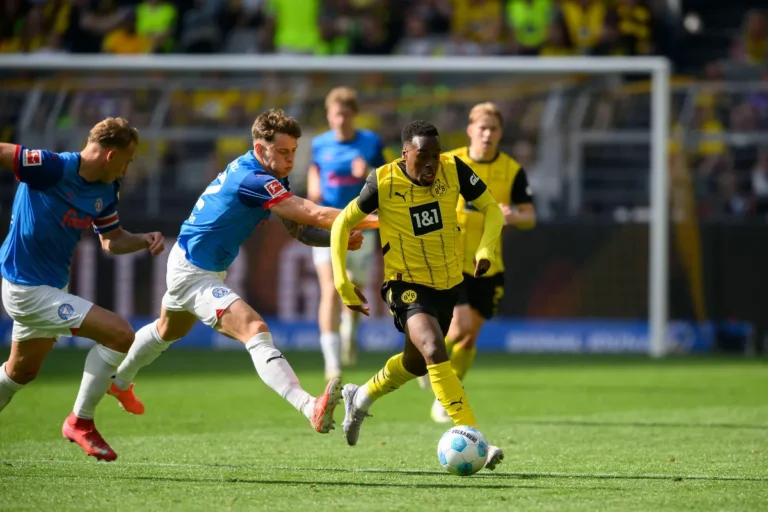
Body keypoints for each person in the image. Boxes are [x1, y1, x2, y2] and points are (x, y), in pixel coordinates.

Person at [107, 109, 378, 434]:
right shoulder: (253, 179)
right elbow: (313, 213)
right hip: (192, 272)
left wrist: (339, 238)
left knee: (166, 330)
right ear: (260, 148)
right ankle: (310, 407)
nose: (290, 159)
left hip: (195, 264)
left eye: (293, 151)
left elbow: (301, 230)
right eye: (282, 151)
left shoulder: (269, 174)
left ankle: (118, 382)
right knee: (254, 328)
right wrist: (379, 220)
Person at [330, 120, 505, 470]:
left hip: (447, 282)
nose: (431, 164)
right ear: (405, 153)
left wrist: (485, 249)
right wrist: (341, 282)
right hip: (405, 283)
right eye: (423, 156)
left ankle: (360, 396)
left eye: (435, 155)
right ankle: (475, 437)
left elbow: (492, 208)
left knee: (415, 363)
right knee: (434, 348)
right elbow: (342, 223)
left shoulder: (453, 169)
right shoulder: (382, 181)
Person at [0, 118, 165, 461]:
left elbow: (111, 240)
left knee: (20, 372)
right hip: (26, 288)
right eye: (127, 160)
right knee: (120, 334)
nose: (127, 169)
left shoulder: (106, 189)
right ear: (111, 156)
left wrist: (142, 240)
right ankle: (81, 421)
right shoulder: (51, 166)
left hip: (52, 286)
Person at [419, 102, 536, 423]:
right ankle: (431, 364)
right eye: (482, 128)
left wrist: (513, 215)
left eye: (493, 129)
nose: (487, 134)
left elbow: (530, 216)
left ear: (500, 133)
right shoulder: (449, 162)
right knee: (459, 327)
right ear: (470, 130)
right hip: (452, 261)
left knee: (470, 336)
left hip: (488, 265)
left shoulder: (511, 170)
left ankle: (444, 391)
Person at [308, 87, 385, 378]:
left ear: (354, 115)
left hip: (361, 223)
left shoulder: (370, 142)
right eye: (335, 114)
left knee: (354, 285)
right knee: (329, 289)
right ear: (329, 116)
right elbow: (315, 170)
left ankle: (349, 327)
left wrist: (368, 171)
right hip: (327, 223)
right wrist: (313, 187)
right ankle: (332, 363)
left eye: (345, 114)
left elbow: (388, 178)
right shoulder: (319, 144)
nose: (340, 120)